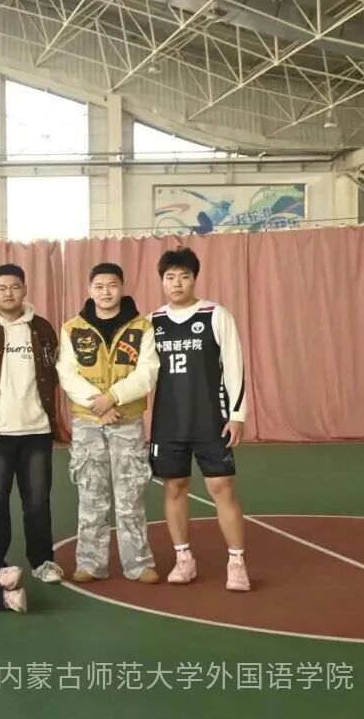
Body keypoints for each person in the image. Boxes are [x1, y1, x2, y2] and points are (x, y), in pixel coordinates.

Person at [151, 247, 250, 591]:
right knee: (174, 488)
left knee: (222, 488)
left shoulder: (215, 315)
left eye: (184, 276)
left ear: (195, 279)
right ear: (162, 281)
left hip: (211, 419)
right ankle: (183, 559)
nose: (177, 283)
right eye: (170, 277)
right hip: (168, 422)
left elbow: (234, 366)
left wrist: (237, 415)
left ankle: (236, 562)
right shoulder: (153, 322)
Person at [56, 262, 160, 585]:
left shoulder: (141, 327)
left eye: (112, 285)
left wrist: (113, 397)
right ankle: (90, 563)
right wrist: (98, 405)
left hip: (127, 420)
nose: (105, 292)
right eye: (99, 286)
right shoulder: (72, 328)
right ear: (90, 290)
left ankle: (138, 564)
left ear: (122, 287)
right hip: (88, 422)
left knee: (131, 495)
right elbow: (67, 374)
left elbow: (147, 372)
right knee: (91, 495)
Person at [0, 264, 62, 582]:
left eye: (14, 287)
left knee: (37, 501)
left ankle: (43, 561)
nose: (8, 293)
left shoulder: (42, 328)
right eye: (1, 288)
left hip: (37, 430)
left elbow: (54, 372)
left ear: (25, 289)